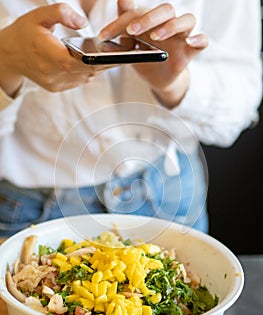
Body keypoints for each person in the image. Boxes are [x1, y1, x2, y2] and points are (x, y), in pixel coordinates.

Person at [0, 0, 262, 237]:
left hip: (168, 193)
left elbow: (239, 106)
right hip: (29, 211)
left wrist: (176, 84)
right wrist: (6, 63)